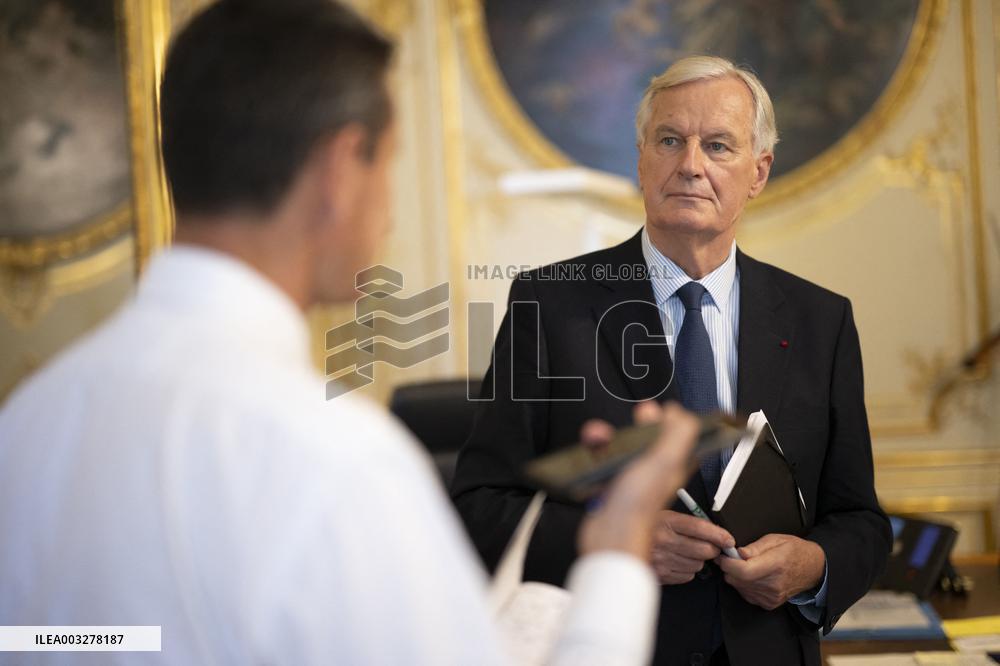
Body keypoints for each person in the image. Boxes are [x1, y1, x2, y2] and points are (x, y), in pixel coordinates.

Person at [0, 1, 706, 664]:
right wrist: (618, 548)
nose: (390, 205)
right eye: (390, 160)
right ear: (341, 171)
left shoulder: (28, 428)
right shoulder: (331, 461)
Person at [451, 55, 892, 666]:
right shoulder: (549, 304)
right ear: (640, 158)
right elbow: (480, 507)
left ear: (758, 172)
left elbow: (860, 520)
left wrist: (814, 564)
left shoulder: (822, 320)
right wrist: (611, 544)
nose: (690, 165)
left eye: (717, 145)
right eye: (669, 140)